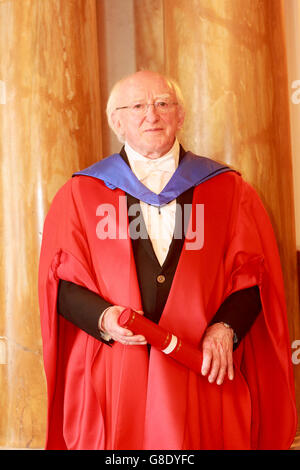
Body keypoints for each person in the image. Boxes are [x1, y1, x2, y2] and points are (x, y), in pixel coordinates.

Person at [38, 70, 297, 450]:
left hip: (199, 362)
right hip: (118, 365)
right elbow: (59, 282)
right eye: (138, 106)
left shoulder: (227, 189)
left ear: (180, 115)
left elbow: (255, 275)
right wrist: (104, 318)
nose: (151, 115)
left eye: (163, 104)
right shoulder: (81, 193)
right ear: (117, 121)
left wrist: (226, 328)